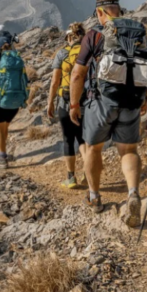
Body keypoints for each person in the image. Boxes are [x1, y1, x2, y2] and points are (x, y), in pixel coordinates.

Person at [69, 0, 147, 226]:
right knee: (128, 150)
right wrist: (145, 97)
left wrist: (74, 104)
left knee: (92, 148)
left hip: (101, 101)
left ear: (100, 12)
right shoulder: (138, 31)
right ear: (118, 8)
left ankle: (95, 197)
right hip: (133, 99)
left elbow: (77, 73)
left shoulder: (95, 34)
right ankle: (133, 193)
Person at [48, 22, 87, 189]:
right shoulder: (88, 52)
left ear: (69, 37)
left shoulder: (62, 53)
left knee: (68, 139)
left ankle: (71, 178)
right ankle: (88, 174)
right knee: (84, 139)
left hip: (65, 103)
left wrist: (50, 102)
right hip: (85, 103)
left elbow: (54, 82)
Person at [0, 36, 29, 168]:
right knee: (5, 127)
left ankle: (2, 159)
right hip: (15, 101)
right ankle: (3, 152)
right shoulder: (18, 60)